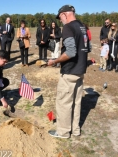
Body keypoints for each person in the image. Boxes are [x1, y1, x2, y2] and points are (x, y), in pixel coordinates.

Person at [47, 5, 88, 138]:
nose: (60, 21)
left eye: (60, 18)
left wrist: (55, 61)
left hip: (70, 71)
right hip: (80, 70)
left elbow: (70, 52)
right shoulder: (82, 27)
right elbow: (88, 47)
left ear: (64, 14)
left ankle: (63, 132)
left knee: (64, 103)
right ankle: (75, 130)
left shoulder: (68, 27)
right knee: (76, 103)